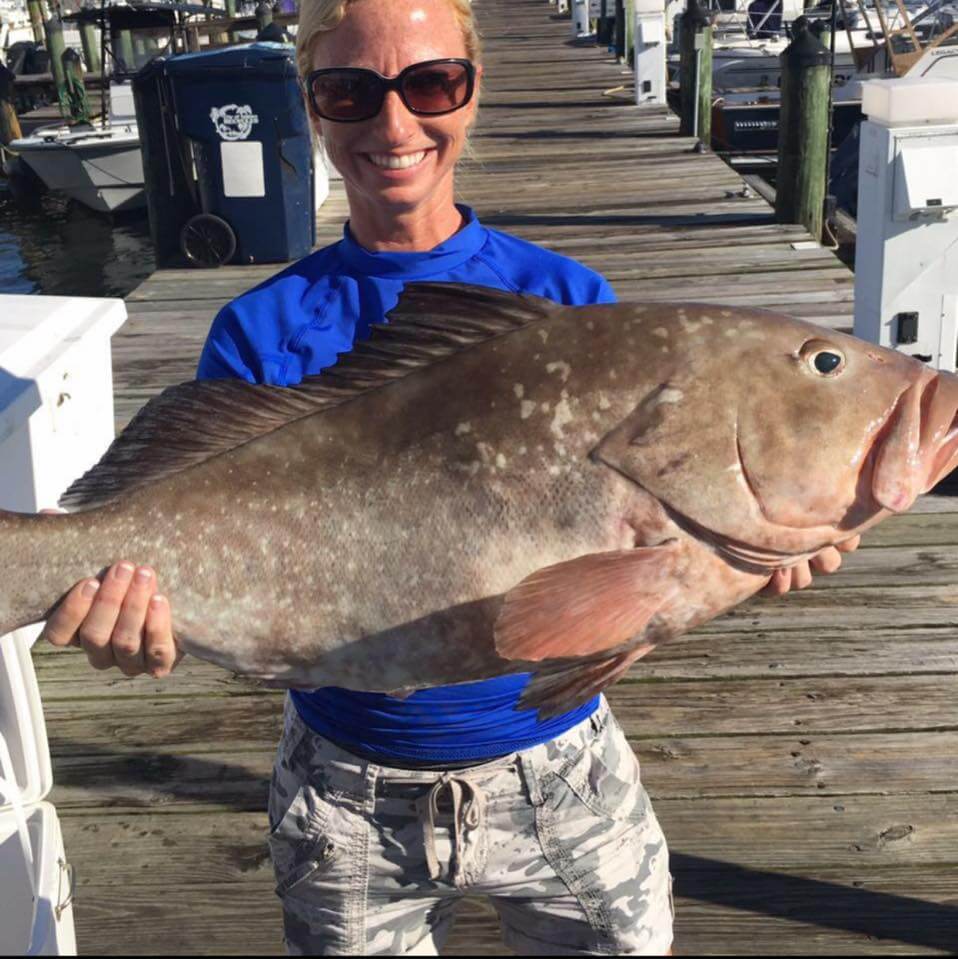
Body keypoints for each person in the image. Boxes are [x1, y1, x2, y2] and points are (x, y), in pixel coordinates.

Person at [40, 0, 859, 953]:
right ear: (312, 107)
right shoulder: (256, 331)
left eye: (431, 84)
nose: (394, 124)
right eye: (349, 92)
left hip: (557, 768)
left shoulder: (571, 305)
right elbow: (175, 533)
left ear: (471, 92)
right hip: (341, 790)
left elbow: (627, 568)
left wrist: (749, 557)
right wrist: (140, 621)